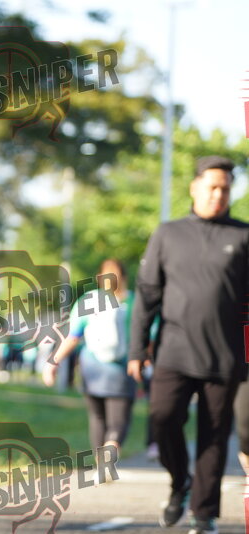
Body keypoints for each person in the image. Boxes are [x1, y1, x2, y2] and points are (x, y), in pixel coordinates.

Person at [128, 156, 249, 534]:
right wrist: (137, 349)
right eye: (212, 187)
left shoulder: (243, 236)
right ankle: (179, 480)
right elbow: (147, 295)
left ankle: (203, 512)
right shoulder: (168, 234)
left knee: (215, 437)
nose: (218, 195)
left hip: (226, 356)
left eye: (225, 189)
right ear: (194, 187)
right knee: (163, 419)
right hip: (173, 353)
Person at [43, 259, 136, 455]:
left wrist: (53, 362)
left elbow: (73, 336)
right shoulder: (134, 302)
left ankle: (101, 460)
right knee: (119, 420)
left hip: (92, 368)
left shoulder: (89, 300)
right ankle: (112, 444)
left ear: (100, 278)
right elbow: (148, 335)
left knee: (97, 417)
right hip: (122, 368)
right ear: (125, 277)